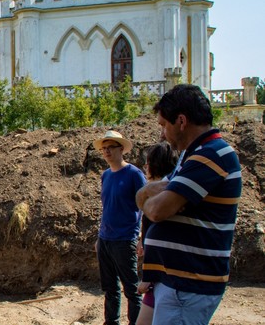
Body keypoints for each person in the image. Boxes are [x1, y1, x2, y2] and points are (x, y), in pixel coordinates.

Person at [137, 84, 242, 324]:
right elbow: (152, 198)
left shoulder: (211, 155)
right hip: (176, 283)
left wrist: (145, 195)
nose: (162, 134)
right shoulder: (192, 156)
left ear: (181, 121)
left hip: (188, 286)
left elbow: (157, 209)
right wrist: (147, 194)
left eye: (164, 125)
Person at [94, 130, 146, 325]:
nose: (106, 152)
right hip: (106, 239)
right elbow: (107, 208)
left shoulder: (134, 174)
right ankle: (112, 322)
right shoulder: (106, 176)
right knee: (110, 288)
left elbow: (145, 206)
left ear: (121, 149)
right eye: (104, 148)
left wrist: (142, 237)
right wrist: (100, 238)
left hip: (125, 240)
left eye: (110, 148)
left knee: (131, 289)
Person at [134, 142, 178, 325]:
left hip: (162, 279)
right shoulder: (166, 190)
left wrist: (147, 278)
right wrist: (142, 240)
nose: (145, 168)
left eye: (147, 163)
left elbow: (160, 241)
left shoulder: (160, 195)